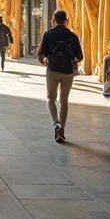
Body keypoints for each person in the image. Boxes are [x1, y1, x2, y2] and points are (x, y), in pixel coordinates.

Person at [36, 9, 83, 143]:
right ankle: (61, 130)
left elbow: (39, 54)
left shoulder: (48, 34)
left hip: (52, 70)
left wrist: (43, 62)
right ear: (66, 20)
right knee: (64, 101)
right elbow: (80, 57)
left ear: (53, 19)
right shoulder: (72, 36)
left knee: (51, 98)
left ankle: (55, 123)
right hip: (68, 71)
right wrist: (73, 61)